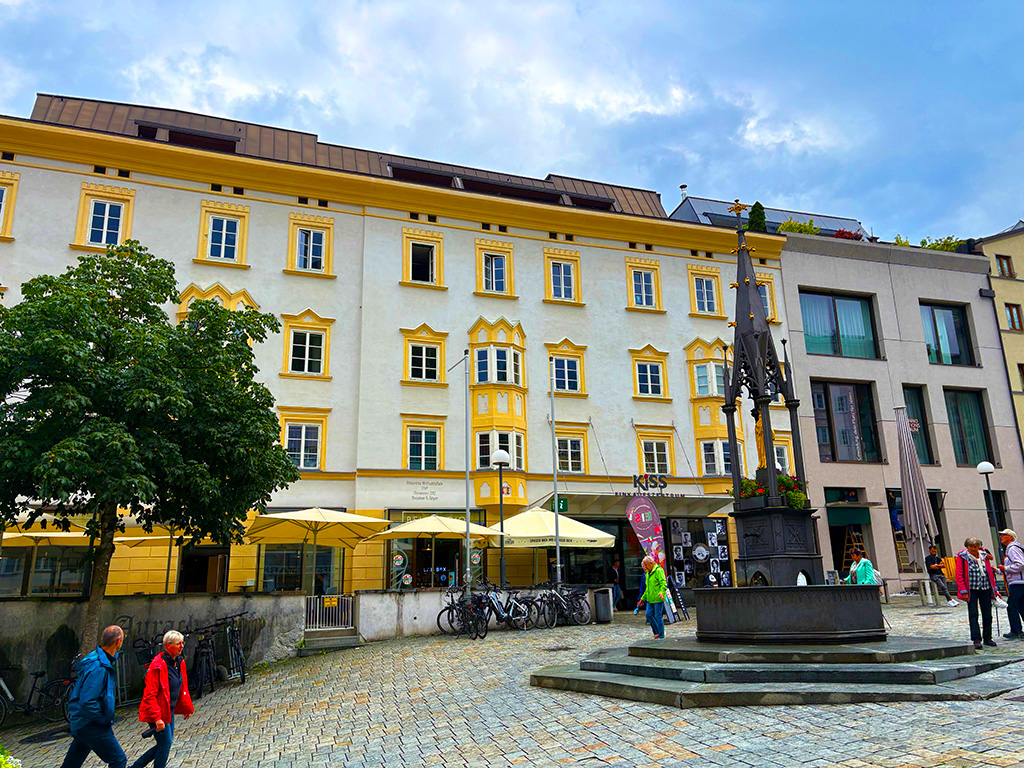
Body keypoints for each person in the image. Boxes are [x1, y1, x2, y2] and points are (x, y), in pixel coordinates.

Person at [61, 626, 127, 768]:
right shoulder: (99, 666)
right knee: (119, 760)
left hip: (83, 722)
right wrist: (102, 719)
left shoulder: (100, 659)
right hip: (91, 723)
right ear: (118, 642)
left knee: (72, 764)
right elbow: (88, 701)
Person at [133, 630, 194, 768]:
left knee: (165, 744)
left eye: (182, 643)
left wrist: (186, 706)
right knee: (165, 744)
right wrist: (157, 718)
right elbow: (149, 696)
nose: (182, 646)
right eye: (178, 644)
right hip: (157, 712)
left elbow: (182, 686)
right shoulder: (158, 666)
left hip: (168, 710)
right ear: (168, 646)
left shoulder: (178, 662)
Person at [955, 537, 1000, 649]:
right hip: (972, 590)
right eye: (971, 547)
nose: (974, 549)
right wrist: (963, 590)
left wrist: (994, 589)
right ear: (967, 547)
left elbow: (989, 573)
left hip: (985, 588)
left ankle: (988, 637)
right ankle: (976, 638)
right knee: (973, 614)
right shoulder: (963, 557)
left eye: (976, 546)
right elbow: (959, 574)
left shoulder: (983, 556)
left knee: (987, 614)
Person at [998, 529, 1024, 640]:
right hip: (1019, 581)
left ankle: (1016, 630)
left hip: (1018, 582)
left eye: (1004, 535)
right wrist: (999, 570)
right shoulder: (1014, 548)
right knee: (1021, 606)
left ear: (1011, 537)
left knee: (1012, 606)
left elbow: (1020, 564)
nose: (1001, 537)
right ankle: (1017, 630)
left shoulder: (1012, 549)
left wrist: (1006, 568)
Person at [636, 555, 667, 639]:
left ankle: (660, 635)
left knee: (658, 616)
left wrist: (661, 592)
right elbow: (647, 589)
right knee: (648, 615)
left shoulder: (658, 571)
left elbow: (663, 584)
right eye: (644, 565)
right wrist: (642, 598)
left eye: (646, 565)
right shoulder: (648, 574)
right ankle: (657, 631)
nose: (645, 567)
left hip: (657, 598)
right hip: (650, 599)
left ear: (651, 563)